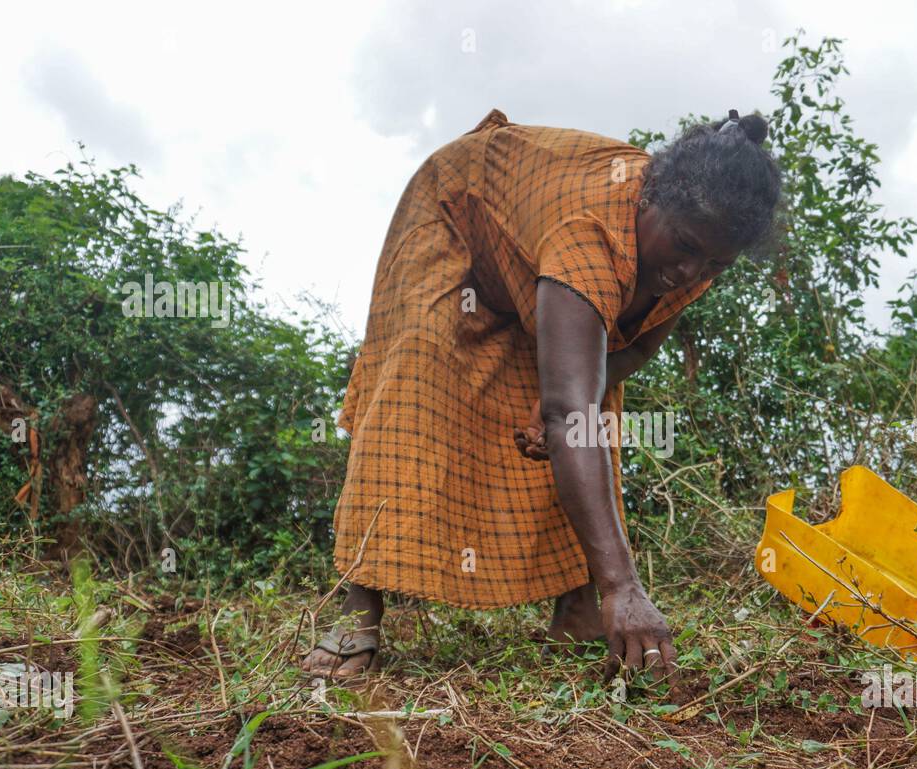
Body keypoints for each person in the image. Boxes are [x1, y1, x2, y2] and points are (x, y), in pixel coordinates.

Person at [301, 106, 782, 680]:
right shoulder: (591, 232)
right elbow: (567, 411)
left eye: (713, 264)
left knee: (588, 406)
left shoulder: (691, 256)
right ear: (652, 199)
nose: (688, 271)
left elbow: (633, 349)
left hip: (535, 256)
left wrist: (562, 405)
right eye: (683, 246)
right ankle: (359, 615)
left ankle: (580, 606)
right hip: (454, 207)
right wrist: (625, 584)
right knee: (418, 373)